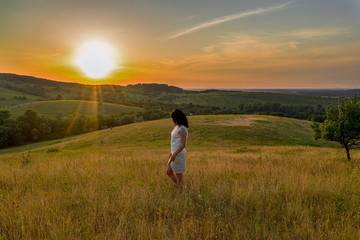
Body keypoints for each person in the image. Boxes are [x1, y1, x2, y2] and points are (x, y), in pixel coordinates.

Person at [166, 109, 188, 191]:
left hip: (178, 155)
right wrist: (171, 153)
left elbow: (183, 145)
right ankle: (183, 187)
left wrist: (174, 154)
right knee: (168, 172)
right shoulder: (177, 127)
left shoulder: (182, 129)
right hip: (173, 153)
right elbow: (174, 142)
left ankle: (182, 190)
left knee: (179, 177)